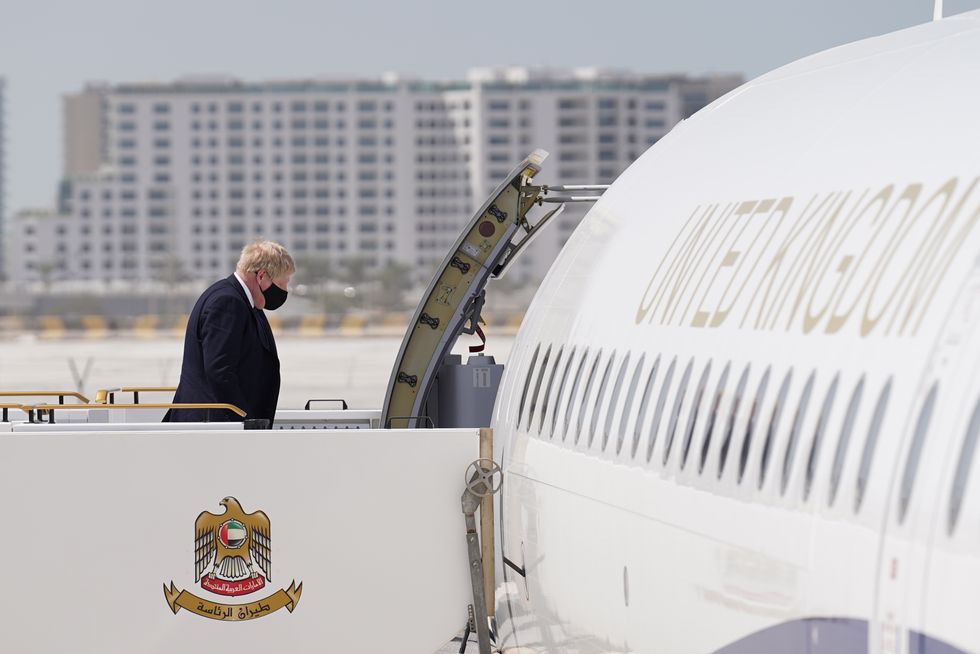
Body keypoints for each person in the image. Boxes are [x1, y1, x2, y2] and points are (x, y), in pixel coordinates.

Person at [164, 240, 295, 425]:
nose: (284, 291)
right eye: (283, 283)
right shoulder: (227, 302)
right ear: (262, 277)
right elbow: (220, 371)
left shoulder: (247, 303)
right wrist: (246, 421)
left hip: (223, 424)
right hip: (216, 426)